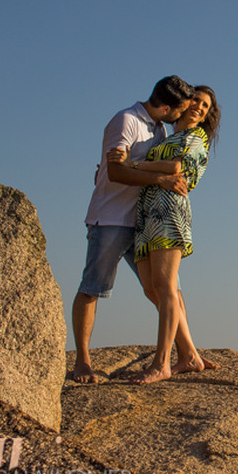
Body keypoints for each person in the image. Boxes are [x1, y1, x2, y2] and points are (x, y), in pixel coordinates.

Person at [72, 75, 195, 384]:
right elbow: (113, 172)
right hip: (111, 217)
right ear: (167, 106)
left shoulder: (160, 129)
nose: (181, 116)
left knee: (164, 290)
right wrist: (159, 179)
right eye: (179, 110)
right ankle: (83, 362)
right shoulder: (125, 120)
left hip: (145, 220)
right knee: (93, 288)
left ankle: (187, 354)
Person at [111, 85, 221, 385]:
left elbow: (175, 167)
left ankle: (161, 363)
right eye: (195, 101)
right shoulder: (166, 136)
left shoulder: (196, 138)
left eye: (205, 105)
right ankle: (188, 355)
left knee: (166, 285)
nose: (199, 106)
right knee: (152, 288)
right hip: (147, 213)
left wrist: (132, 164)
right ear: (183, 105)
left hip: (169, 211)